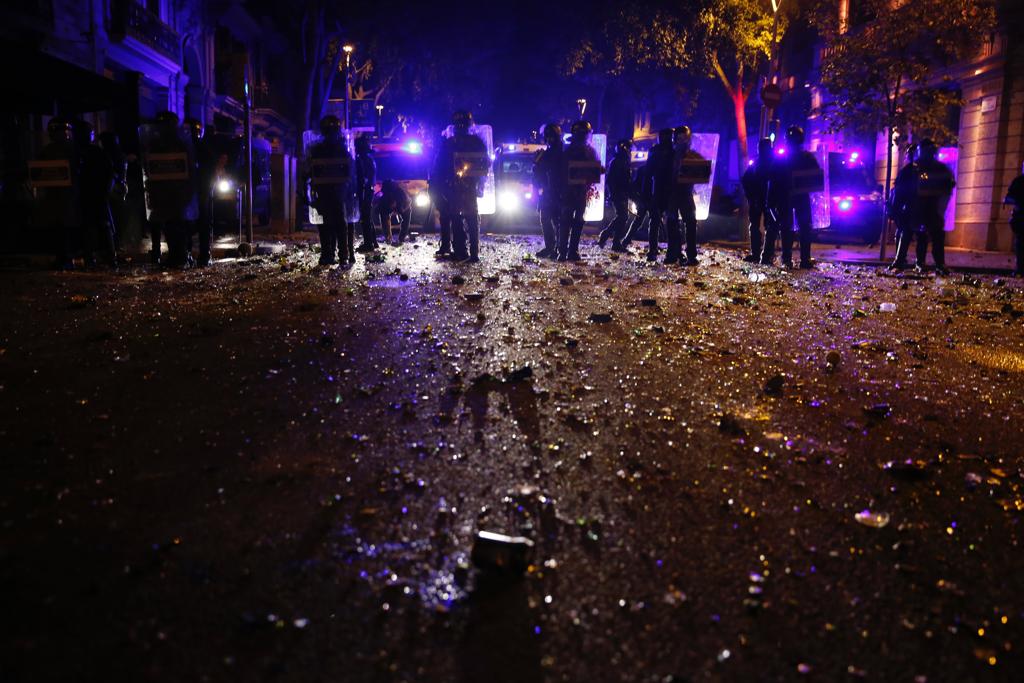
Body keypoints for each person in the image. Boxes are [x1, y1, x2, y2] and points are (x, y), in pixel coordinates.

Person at [141, 111, 196, 267]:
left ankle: (180, 257)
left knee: (177, 226)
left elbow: (189, 169)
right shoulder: (157, 144)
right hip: (166, 193)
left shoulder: (179, 144)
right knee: (171, 227)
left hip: (176, 193)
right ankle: (176, 256)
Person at [762, 125, 821, 269]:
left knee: (789, 228)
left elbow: (772, 179)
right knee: (800, 228)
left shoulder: (783, 158)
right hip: (793, 197)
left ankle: (788, 259)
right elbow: (816, 177)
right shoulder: (806, 157)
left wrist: (770, 201)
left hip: (789, 197)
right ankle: (802, 260)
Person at [437, 111, 488, 262]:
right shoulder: (475, 142)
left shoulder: (451, 143)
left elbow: (439, 166)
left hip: (459, 186)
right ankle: (469, 253)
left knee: (461, 218)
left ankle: (464, 252)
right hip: (460, 186)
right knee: (467, 218)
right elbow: (485, 163)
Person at [306, 115, 354, 266]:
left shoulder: (317, 149)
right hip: (337, 191)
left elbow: (309, 171)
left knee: (327, 223)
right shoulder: (342, 148)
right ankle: (341, 255)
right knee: (339, 224)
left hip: (325, 191)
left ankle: (329, 255)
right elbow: (350, 170)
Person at [34, 117, 79, 269]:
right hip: (58, 194)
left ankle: (66, 258)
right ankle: (65, 257)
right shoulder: (55, 150)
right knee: (61, 226)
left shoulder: (62, 149)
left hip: (65, 194)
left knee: (63, 226)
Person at [72, 120, 117, 269]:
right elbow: (110, 173)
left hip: (92, 195)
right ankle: (105, 258)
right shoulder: (88, 152)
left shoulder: (83, 152)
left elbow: (109, 173)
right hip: (92, 195)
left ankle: (99, 258)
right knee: (97, 227)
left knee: (94, 227)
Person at [560, 120, 603, 261]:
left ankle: (571, 251)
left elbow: (596, 169)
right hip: (568, 191)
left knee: (577, 222)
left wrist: (597, 170)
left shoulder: (589, 151)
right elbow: (559, 171)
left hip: (580, 191)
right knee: (567, 221)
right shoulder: (568, 151)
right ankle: (564, 251)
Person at [912, 139, 955, 274]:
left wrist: (941, 206)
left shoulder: (938, 168)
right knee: (923, 237)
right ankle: (923, 263)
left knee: (935, 237)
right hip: (922, 207)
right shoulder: (916, 167)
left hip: (933, 207)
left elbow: (948, 187)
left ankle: (938, 264)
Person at [665, 125, 707, 265]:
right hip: (672, 194)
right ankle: (673, 253)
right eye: (679, 138)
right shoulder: (669, 156)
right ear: (675, 139)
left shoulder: (693, 156)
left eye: (684, 138)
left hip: (686, 193)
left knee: (690, 223)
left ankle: (690, 255)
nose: (682, 141)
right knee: (672, 224)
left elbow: (704, 171)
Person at [182, 118, 215, 266]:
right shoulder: (200, 147)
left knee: (192, 224)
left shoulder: (189, 146)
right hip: (197, 191)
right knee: (200, 224)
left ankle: (193, 253)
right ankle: (202, 255)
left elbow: (209, 170)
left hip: (193, 191)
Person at [532, 122, 565, 259]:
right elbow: (537, 173)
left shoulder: (560, 153)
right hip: (550, 191)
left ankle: (557, 248)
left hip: (557, 192)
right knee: (549, 219)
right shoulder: (550, 153)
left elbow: (537, 172)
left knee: (555, 221)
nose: (550, 139)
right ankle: (553, 247)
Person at [741, 138, 774, 263]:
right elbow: (746, 180)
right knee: (762, 227)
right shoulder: (757, 162)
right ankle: (761, 255)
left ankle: (764, 255)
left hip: (768, 199)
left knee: (767, 227)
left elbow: (746, 180)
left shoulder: (767, 162)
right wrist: (751, 196)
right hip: (760, 199)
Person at [889, 143, 920, 270]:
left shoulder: (912, 170)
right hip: (907, 206)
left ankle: (901, 260)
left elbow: (900, 190)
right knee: (903, 232)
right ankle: (902, 260)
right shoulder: (909, 170)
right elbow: (899, 189)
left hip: (911, 206)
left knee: (905, 232)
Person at [645, 128, 675, 261]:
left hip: (658, 189)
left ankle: (654, 250)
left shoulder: (656, 151)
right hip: (664, 189)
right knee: (667, 221)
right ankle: (668, 251)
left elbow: (648, 171)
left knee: (657, 221)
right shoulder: (673, 151)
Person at [598, 139, 632, 252]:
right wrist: (612, 193)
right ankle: (609, 237)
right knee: (622, 216)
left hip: (623, 192)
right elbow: (610, 180)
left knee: (623, 217)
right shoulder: (617, 161)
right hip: (618, 193)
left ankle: (614, 241)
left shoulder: (624, 160)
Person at [99, 131, 128, 249]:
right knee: (117, 217)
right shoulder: (120, 155)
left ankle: (113, 244)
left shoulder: (106, 155)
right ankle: (117, 243)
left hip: (112, 189)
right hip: (119, 189)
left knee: (111, 217)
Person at [354, 135, 378, 252]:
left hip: (365, 191)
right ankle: (372, 242)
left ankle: (369, 244)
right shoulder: (368, 159)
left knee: (365, 218)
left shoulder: (364, 160)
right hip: (368, 191)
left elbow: (364, 178)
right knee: (367, 217)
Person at [377, 179, 411, 244]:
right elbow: (385, 219)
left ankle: (401, 238)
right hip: (387, 202)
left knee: (406, 215)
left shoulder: (402, 198)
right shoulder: (384, 202)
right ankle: (388, 237)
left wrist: (401, 238)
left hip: (401, 202)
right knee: (384, 217)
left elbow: (407, 205)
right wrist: (388, 235)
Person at [1004, 161, 1024, 277]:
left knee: (1020, 243)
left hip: (1020, 216)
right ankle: (1020, 268)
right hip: (1021, 216)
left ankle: (1020, 269)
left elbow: (1009, 197)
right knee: (1020, 243)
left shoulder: (1018, 181)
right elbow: (1009, 197)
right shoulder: (1019, 181)